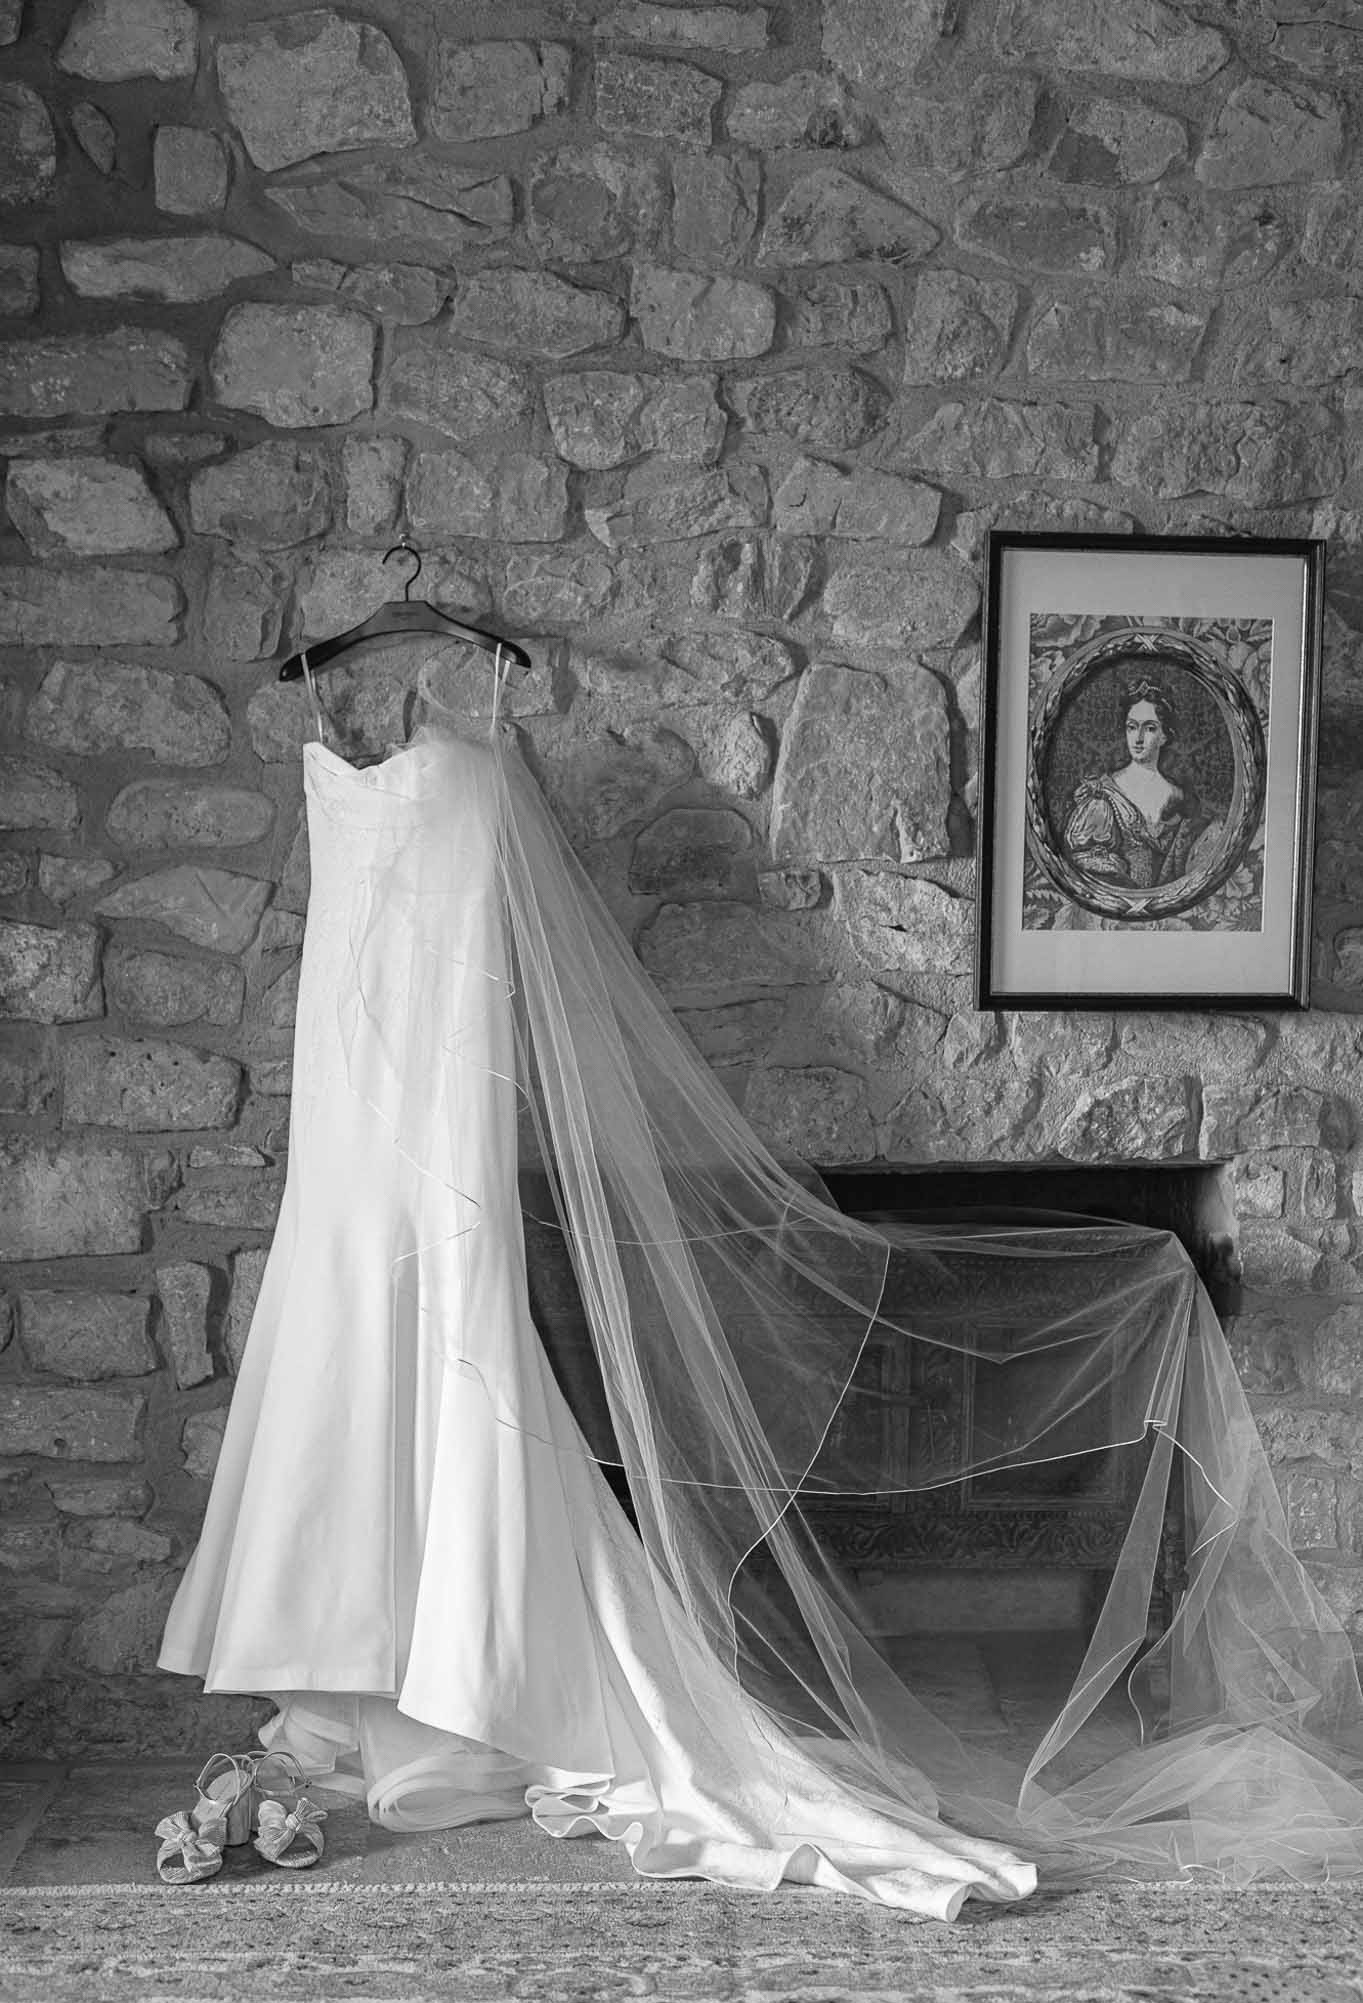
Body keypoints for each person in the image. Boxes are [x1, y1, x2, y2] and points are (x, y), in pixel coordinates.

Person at [158, 656, 1363, 1913]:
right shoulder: (347, 749)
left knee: (452, 1375)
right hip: (347, 1144)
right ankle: (373, 1670)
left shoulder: (483, 764)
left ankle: (467, 1672)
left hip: (440, 1139)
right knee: (351, 1366)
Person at [1062, 682, 1221, 891]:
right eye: (1132, 727)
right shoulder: (1101, 797)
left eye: (1149, 728)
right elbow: (1088, 877)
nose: (1137, 738)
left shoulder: (1181, 796)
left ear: (1164, 735)